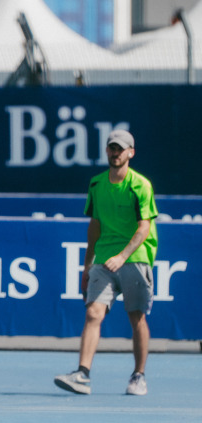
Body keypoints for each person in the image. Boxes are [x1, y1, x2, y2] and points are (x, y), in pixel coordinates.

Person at [54, 129, 158, 396]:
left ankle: (138, 376)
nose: (115, 153)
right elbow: (95, 225)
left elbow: (143, 228)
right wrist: (87, 264)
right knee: (93, 313)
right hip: (103, 259)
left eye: (120, 149)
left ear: (130, 153)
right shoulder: (96, 184)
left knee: (136, 317)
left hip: (135, 258)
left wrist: (122, 256)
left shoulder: (140, 185)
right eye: (112, 148)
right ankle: (82, 374)